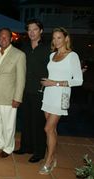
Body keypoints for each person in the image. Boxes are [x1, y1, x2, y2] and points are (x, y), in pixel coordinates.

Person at [39, 27, 83, 175]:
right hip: (48, 95)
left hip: (61, 95)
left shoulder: (72, 56)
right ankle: (53, 156)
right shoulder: (52, 55)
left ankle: (49, 160)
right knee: (52, 130)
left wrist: (55, 83)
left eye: (59, 37)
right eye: (54, 38)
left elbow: (78, 81)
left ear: (66, 39)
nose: (56, 40)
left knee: (48, 129)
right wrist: (48, 84)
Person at [13, 19, 50, 163]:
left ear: (41, 31)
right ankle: (25, 147)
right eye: (29, 30)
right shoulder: (24, 47)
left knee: (38, 122)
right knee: (25, 120)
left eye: (35, 29)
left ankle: (39, 152)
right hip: (25, 89)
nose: (32, 32)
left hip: (40, 90)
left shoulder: (48, 48)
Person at [0, 28, 26, 158]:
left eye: (6, 37)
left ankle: (9, 147)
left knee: (8, 124)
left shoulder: (19, 55)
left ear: (11, 39)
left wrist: (18, 98)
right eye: (1, 37)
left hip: (9, 96)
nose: (3, 39)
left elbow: (21, 79)